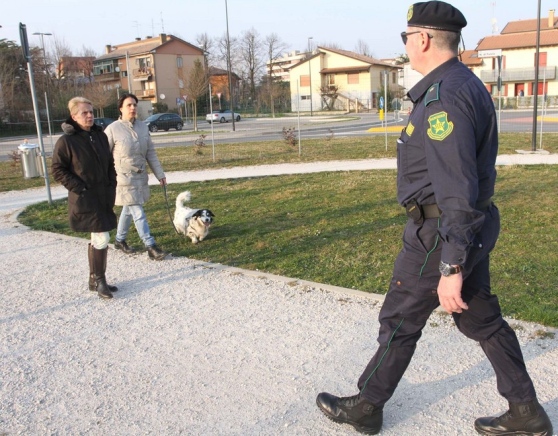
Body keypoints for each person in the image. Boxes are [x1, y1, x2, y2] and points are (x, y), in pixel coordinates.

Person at [316, 2, 554, 435]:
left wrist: (451, 264)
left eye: (406, 37)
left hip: (440, 233)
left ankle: (367, 406)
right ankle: (526, 411)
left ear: (422, 39)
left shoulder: (444, 97)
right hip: (463, 226)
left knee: (401, 318)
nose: (406, 44)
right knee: (480, 318)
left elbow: (456, 187)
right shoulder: (462, 84)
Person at [51, 97, 118, 300]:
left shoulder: (99, 136)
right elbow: (57, 169)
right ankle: (100, 280)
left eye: (91, 112)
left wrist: (112, 181)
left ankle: (94, 279)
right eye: (84, 113)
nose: (89, 115)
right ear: (73, 116)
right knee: (101, 237)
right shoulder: (66, 141)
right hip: (85, 197)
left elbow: (109, 163)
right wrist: (80, 188)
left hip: (104, 195)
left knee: (98, 236)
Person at [104, 93, 168, 261]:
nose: (132, 108)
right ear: (121, 108)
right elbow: (103, 155)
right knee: (137, 211)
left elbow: (150, 153)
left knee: (128, 209)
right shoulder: (113, 129)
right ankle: (150, 245)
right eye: (129, 105)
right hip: (122, 178)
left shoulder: (143, 127)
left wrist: (160, 174)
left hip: (140, 176)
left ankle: (119, 240)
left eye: (134, 105)